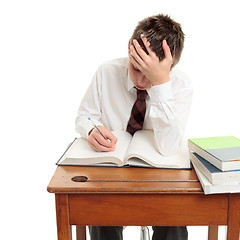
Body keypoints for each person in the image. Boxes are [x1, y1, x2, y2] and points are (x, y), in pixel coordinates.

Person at [75, 14, 193, 240]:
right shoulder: (106, 71)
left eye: (149, 74)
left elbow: (168, 147)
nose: (141, 81)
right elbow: (85, 116)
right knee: (100, 215)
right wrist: (91, 130)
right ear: (129, 49)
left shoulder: (181, 86)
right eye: (136, 68)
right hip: (111, 174)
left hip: (159, 177)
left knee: (174, 219)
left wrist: (160, 85)